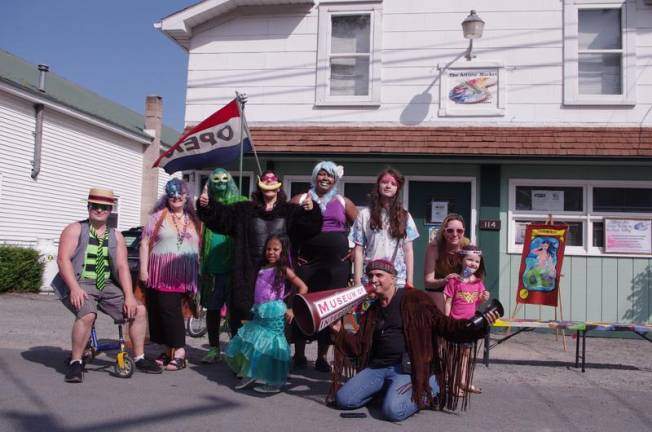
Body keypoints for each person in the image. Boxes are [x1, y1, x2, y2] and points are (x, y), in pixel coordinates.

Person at [328, 259, 498, 422]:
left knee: (393, 411)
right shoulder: (373, 310)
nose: (374, 279)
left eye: (379, 275)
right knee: (344, 400)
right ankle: (389, 391)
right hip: (378, 367)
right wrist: (339, 332)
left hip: (408, 369)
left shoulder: (415, 299)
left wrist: (477, 325)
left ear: (393, 278)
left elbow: (444, 325)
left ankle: (429, 389)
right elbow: (358, 346)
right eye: (370, 275)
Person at [52, 187, 161, 382]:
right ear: (88, 207)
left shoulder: (116, 235)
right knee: (87, 314)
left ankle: (140, 357)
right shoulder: (75, 229)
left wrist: (128, 296)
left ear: (110, 210)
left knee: (139, 311)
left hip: (107, 284)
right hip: (80, 281)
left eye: (104, 207)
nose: (100, 210)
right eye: (95, 206)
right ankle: (76, 362)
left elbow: (121, 266)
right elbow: (63, 260)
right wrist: (75, 288)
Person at [197, 170, 322, 336]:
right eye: (265, 182)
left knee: (276, 325)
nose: (269, 185)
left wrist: (311, 210)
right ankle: (246, 357)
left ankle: (272, 356)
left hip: (279, 277)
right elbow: (222, 218)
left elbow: (310, 228)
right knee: (245, 321)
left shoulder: (290, 212)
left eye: (272, 182)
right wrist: (207, 205)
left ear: (279, 188)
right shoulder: (244, 211)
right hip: (248, 276)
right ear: (259, 187)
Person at [290, 161, 358, 372]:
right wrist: (293, 257)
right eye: (321, 174)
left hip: (335, 267)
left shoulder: (343, 201)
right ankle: (299, 355)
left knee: (330, 311)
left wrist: (355, 250)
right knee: (303, 306)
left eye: (329, 175)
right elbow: (288, 229)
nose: (325, 178)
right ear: (314, 177)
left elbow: (361, 230)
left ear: (335, 179)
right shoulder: (300, 199)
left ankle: (322, 357)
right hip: (307, 264)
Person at [225, 234, 308, 393]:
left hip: (274, 312)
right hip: (260, 310)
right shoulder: (262, 267)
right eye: (269, 249)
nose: (271, 252)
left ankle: (275, 381)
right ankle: (251, 373)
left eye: (276, 249)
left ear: (283, 251)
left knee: (272, 346)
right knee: (253, 341)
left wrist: (294, 309)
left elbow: (303, 287)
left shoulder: (283, 269)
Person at [139, 178, 201, 371]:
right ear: (167, 196)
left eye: (180, 194)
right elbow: (144, 243)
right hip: (161, 273)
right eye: (172, 194)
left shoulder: (194, 219)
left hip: (185, 275)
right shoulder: (158, 216)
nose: (176, 197)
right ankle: (169, 350)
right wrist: (143, 269)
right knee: (161, 311)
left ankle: (180, 352)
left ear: (186, 196)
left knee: (172, 311)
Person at [198, 168, 248, 364]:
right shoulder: (207, 204)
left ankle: (235, 350)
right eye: (215, 179)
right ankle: (213, 348)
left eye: (224, 179)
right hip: (213, 266)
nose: (220, 182)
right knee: (212, 309)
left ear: (230, 181)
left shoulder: (240, 203)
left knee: (236, 311)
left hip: (235, 266)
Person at [349, 168, 418, 290]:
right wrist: (357, 282)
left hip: (397, 280)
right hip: (371, 278)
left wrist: (410, 280)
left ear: (397, 189)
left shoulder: (405, 216)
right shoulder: (364, 215)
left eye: (393, 184)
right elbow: (359, 251)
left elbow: (408, 250)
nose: (388, 186)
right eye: (384, 182)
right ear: (378, 185)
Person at [443, 245, 490, 395]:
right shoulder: (454, 281)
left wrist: (484, 298)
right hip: (455, 324)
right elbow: (448, 301)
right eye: (469, 259)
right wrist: (446, 321)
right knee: (452, 354)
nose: (473, 264)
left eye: (476, 261)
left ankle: (462, 381)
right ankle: (450, 382)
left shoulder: (478, 283)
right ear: (461, 260)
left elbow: (477, 303)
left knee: (465, 354)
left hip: (470, 325)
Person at [424, 213, 471, 312]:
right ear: (443, 232)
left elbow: (474, 273)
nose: (455, 234)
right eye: (450, 230)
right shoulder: (434, 247)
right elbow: (428, 282)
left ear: (464, 232)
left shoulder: (467, 246)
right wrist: (445, 281)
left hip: (460, 291)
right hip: (438, 290)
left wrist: (462, 277)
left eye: (459, 231)